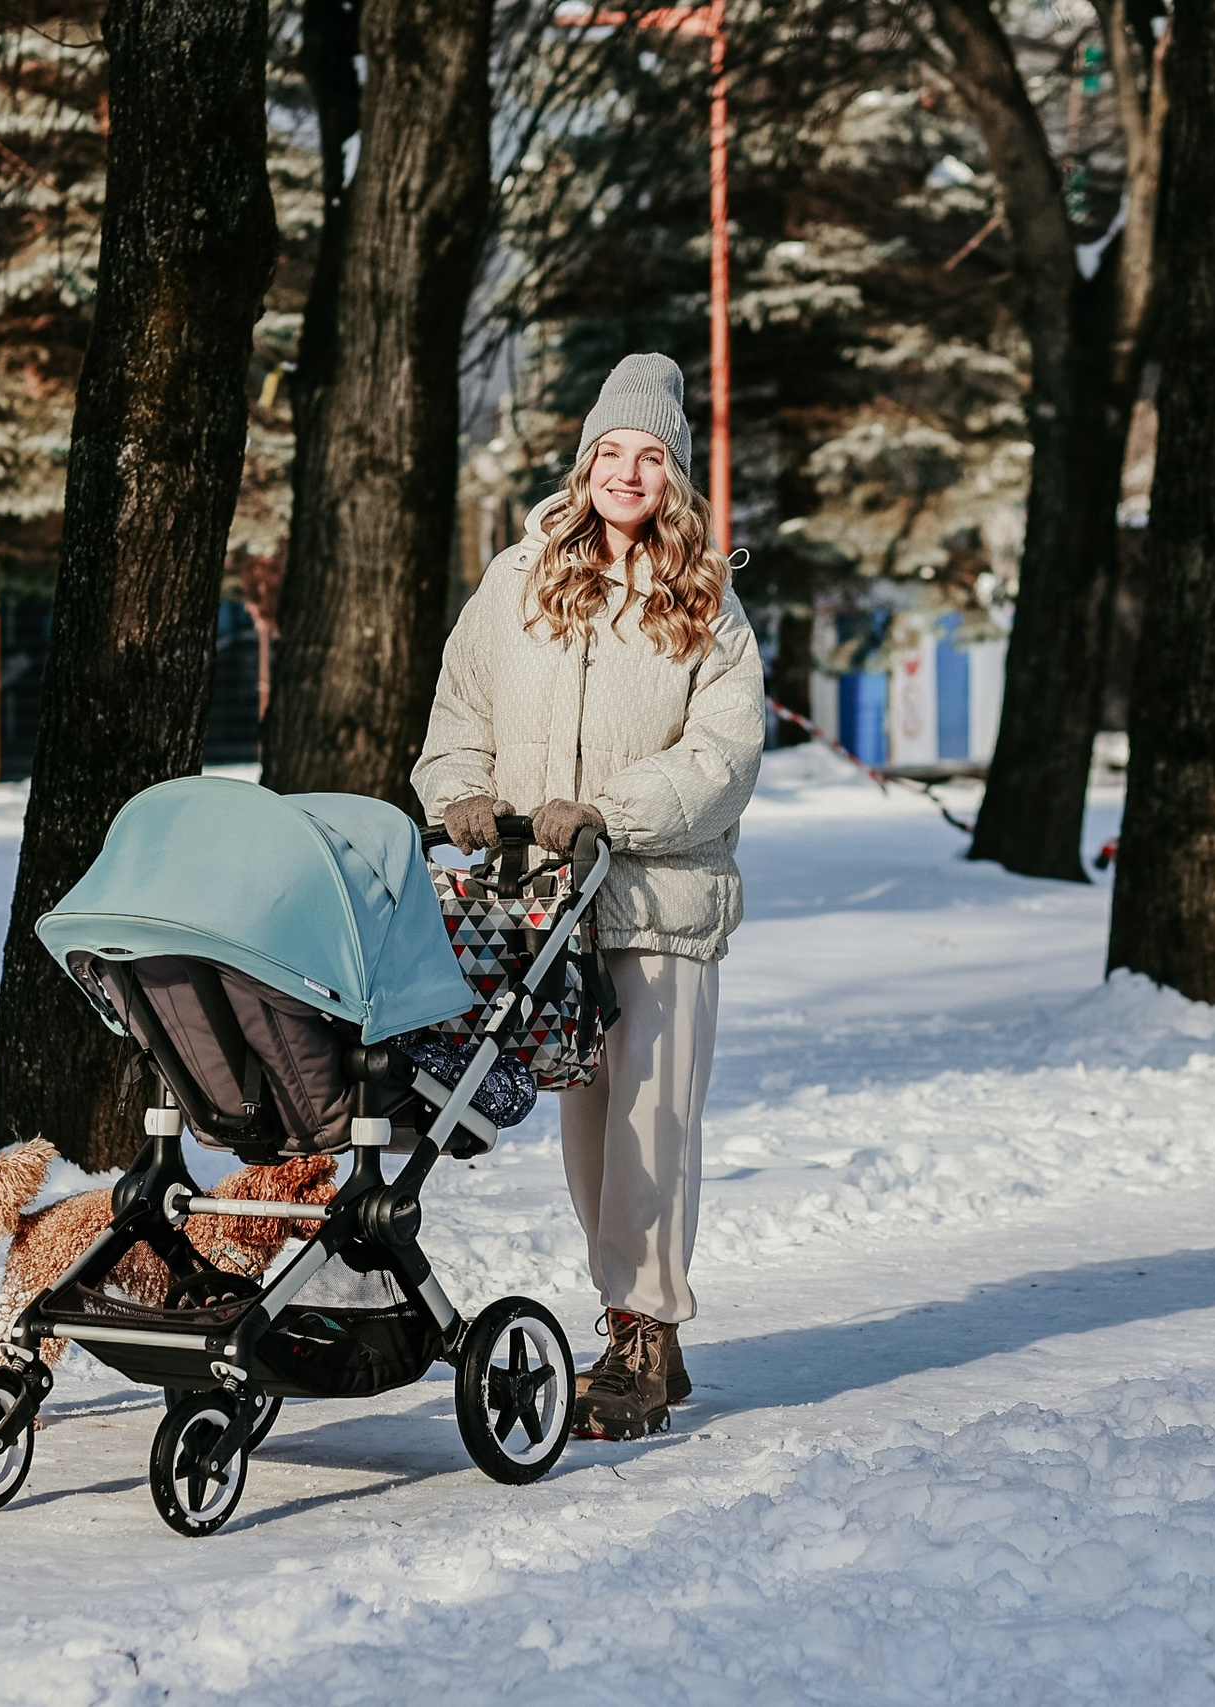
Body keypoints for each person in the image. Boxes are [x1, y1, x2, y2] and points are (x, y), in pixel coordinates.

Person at [414, 352, 764, 1441]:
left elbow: (723, 758)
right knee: (590, 1124)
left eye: (648, 455)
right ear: (582, 463)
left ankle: (642, 1337)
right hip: (540, 906)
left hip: (658, 902)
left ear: (674, 475)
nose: (626, 472)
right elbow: (456, 714)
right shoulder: (514, 583)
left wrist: (607, 809)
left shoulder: (706, 601)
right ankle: (631, 1313)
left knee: (653, 1124)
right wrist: (462, 795)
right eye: (609, 452)